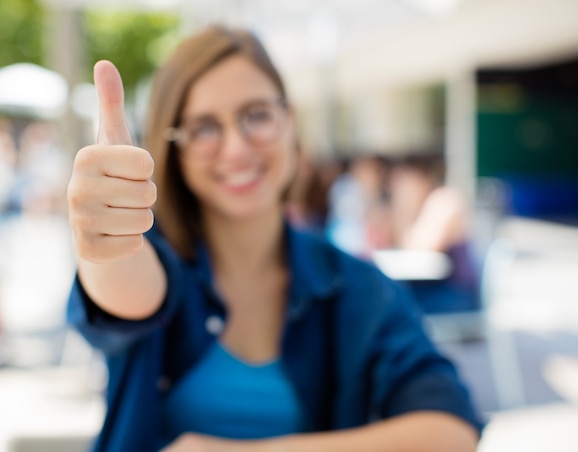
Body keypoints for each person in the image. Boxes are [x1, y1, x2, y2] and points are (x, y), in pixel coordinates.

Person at [66, 25, 483, 452]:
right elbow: (125, 285)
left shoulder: (357, 288)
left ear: (289, 119)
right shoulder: (156, 258)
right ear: (174, 148)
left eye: (257, 115)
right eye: (204, 128)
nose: (237, 149)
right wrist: (103, 235)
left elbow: (451, 429)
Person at [387, 153, 480, 313]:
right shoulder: (418, 207)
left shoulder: (445, 199)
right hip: (429, 287)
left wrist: (406, 206)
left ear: (422, 178)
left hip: (456, 293)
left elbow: (424, 247)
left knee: (394, 308)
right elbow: (401, 244)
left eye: (404, 180)